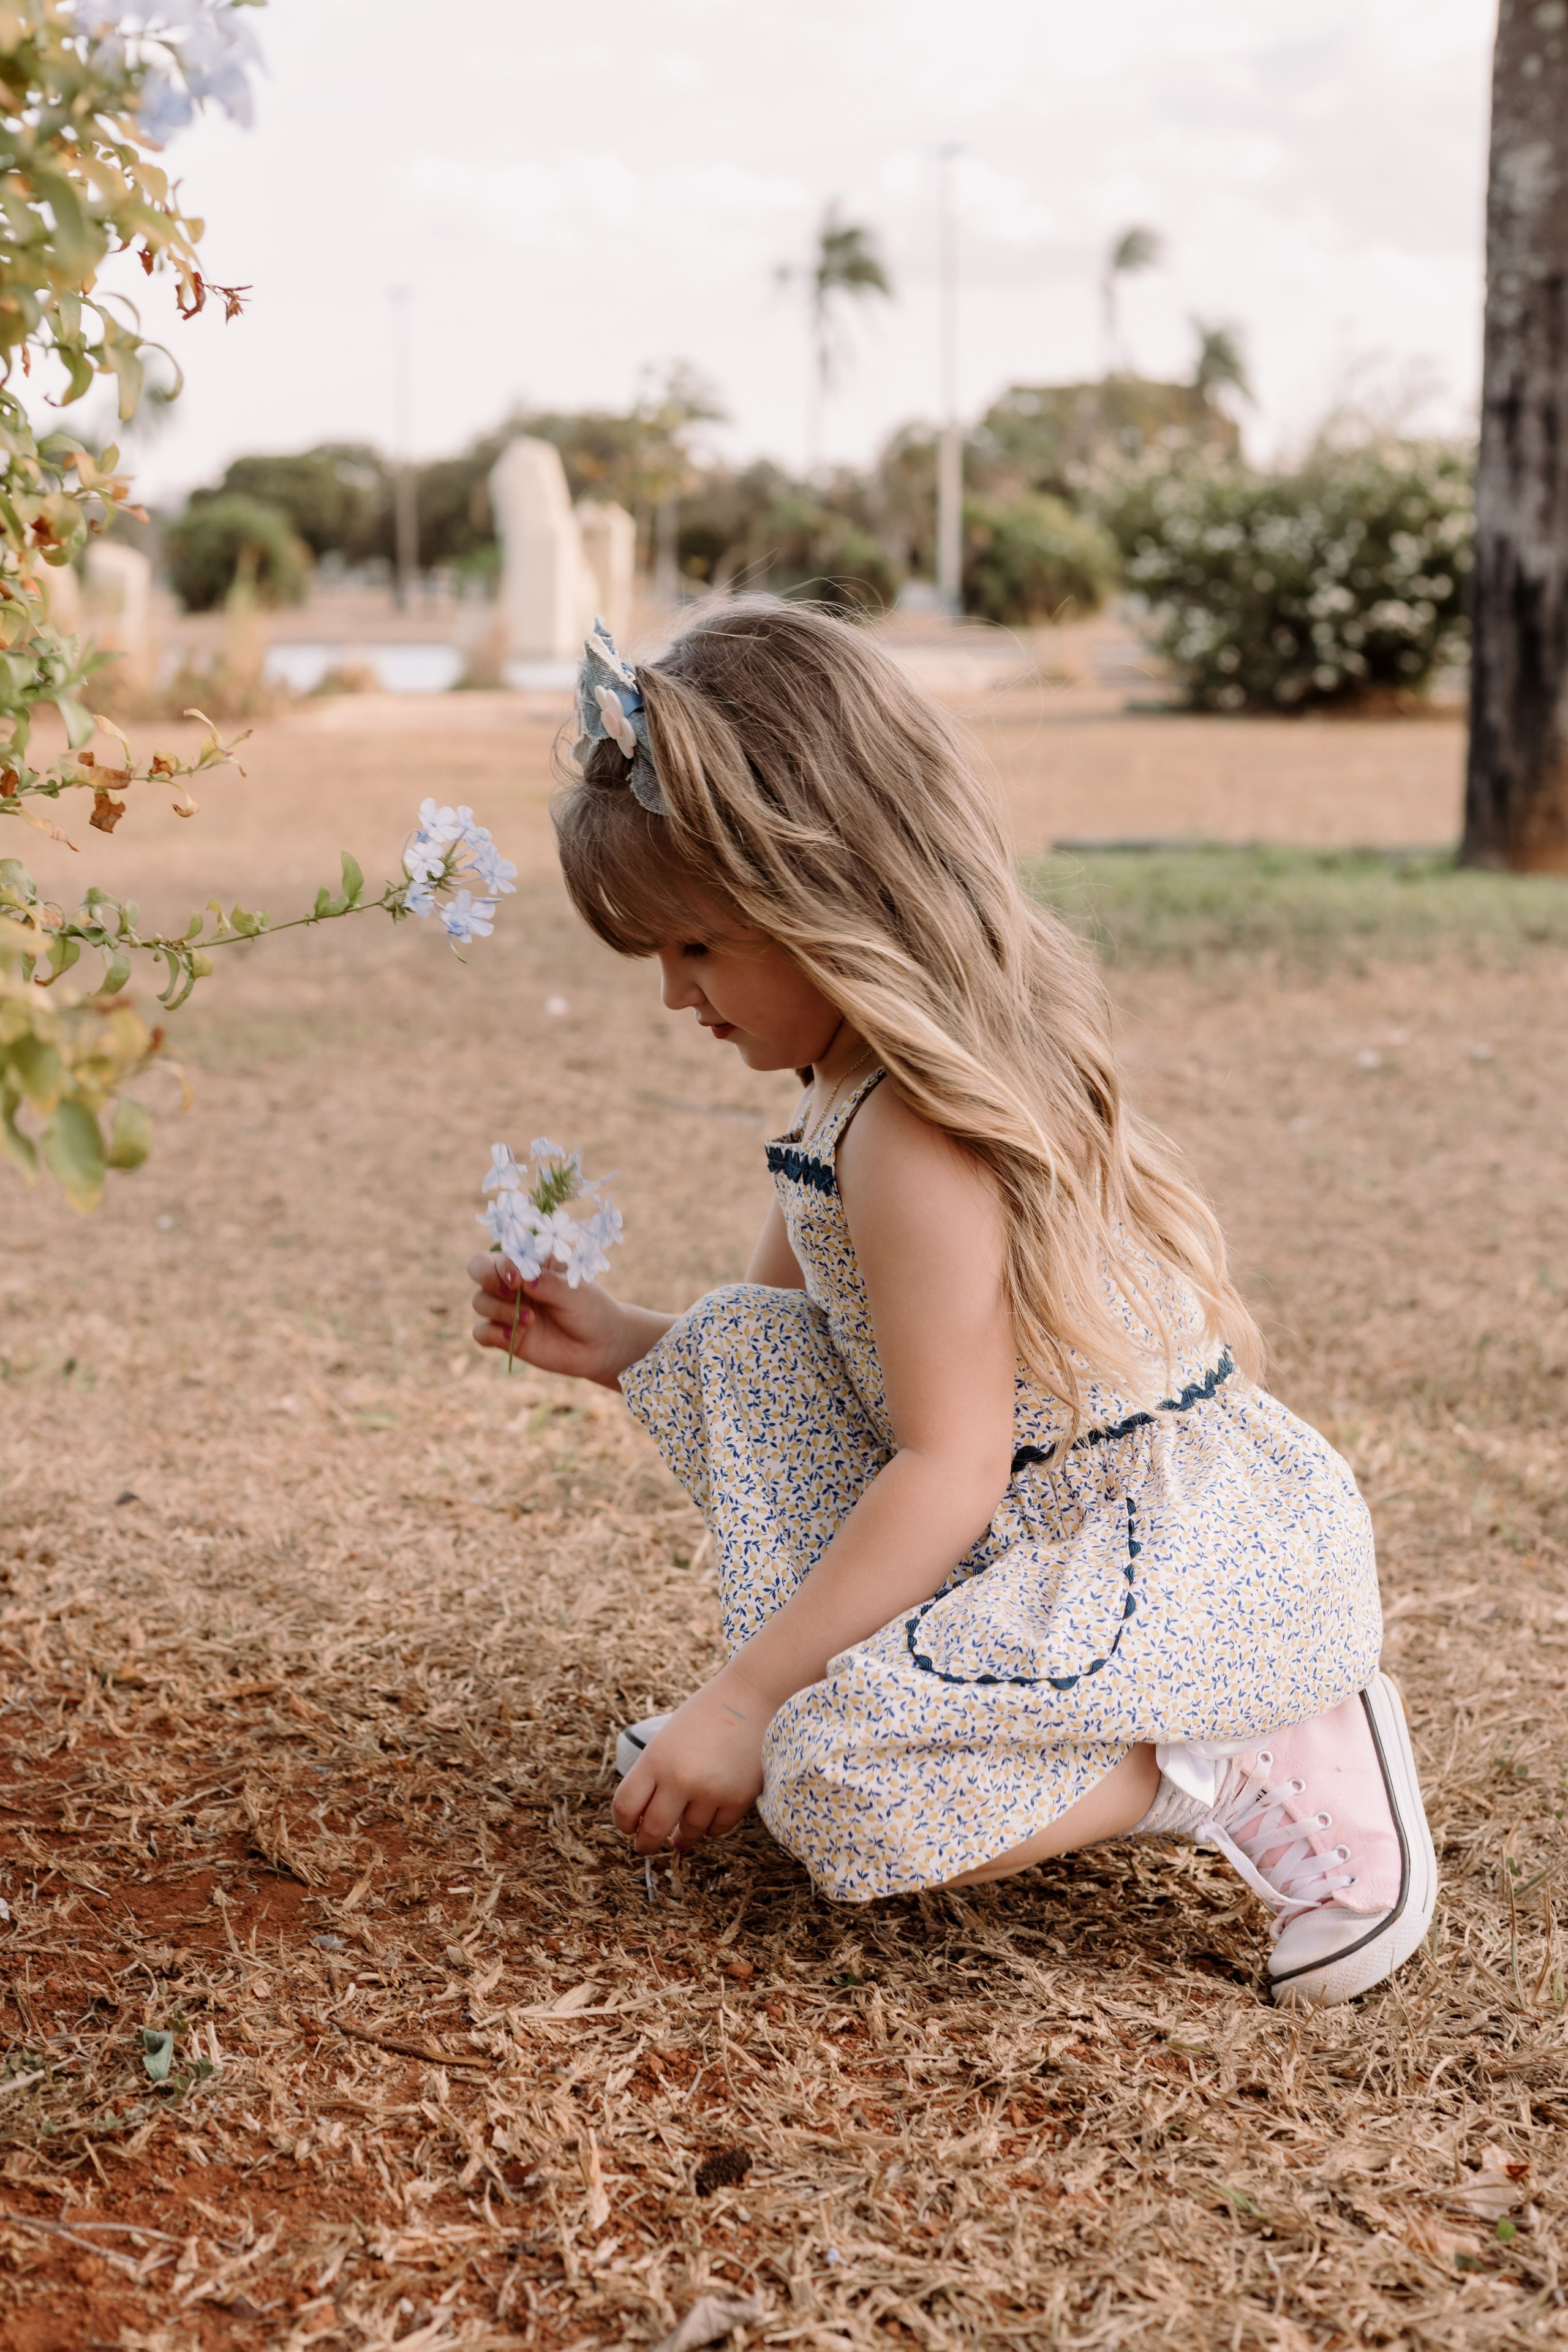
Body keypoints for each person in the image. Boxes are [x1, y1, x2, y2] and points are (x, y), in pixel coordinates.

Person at [468, 602, 1436, 2010]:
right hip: (1024, 1548)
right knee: (741, 1342)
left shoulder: (913, 1134)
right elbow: (784, 1356)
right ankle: (947, 1714)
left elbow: (949, 1463)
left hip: (1169, 1562)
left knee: (833, 1788)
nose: (674, 995)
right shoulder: (840, 1088)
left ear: (823, 899)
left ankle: (1245, 1750)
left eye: (697, 949)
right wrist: (617, 1342)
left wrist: (744, 1704)